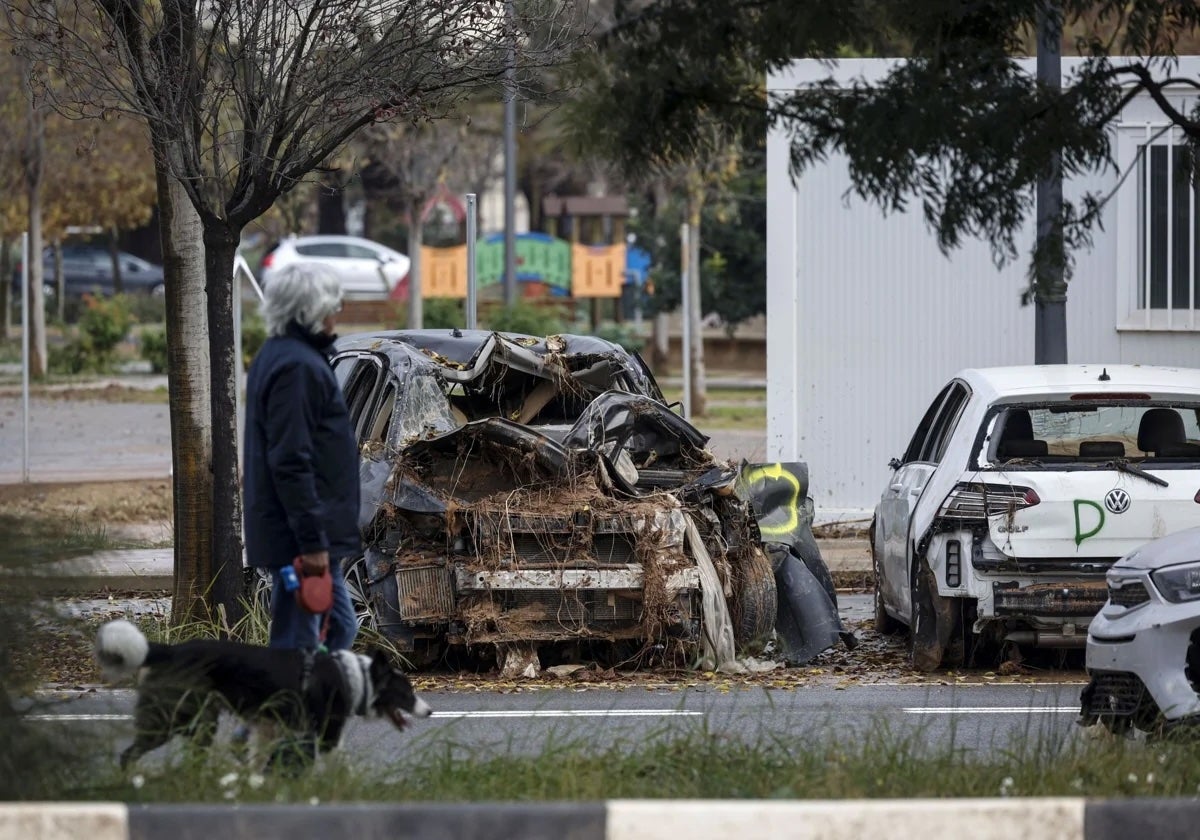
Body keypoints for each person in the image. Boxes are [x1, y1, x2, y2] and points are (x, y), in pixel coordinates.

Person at [243, 262, 360, 654]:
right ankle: (278, 715)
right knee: (298, 647)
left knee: (340, 628)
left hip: (307, 535)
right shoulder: (297, 367)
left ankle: (307, 711)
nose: (336, 313)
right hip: (302, 541)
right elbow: (291, 460)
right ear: (312, 310)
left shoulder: (283, 356)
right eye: (333, 305)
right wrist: (312, 543)